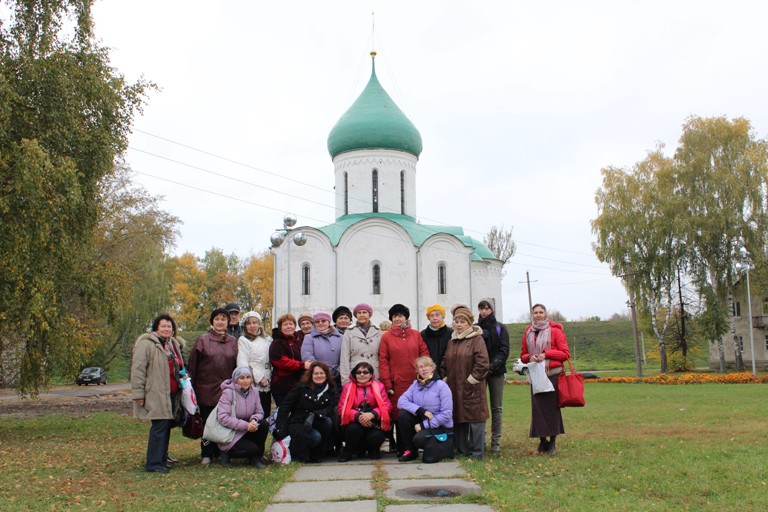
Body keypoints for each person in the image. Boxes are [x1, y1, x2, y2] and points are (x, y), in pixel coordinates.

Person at [131, 314, 184, 473]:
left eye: (169, 326)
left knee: (166, 426)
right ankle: (153, 463)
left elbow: (179, 365)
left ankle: (162, 459)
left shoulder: (173, 344)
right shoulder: (146, 345)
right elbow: (138, 370)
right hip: (156, 392)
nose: (167, 329)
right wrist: (138, 395)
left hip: (172, 393)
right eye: (163, 326)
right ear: (156, 328)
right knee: (159, 426)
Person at [188, 307, 238, 465]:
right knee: (207, 422)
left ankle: (222, 451)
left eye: (224, 319)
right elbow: (193, 365)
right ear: (212, 322)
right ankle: (206, 454)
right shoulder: (203, 340)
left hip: (226, 390)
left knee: (224, 421)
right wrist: (191, 388)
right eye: (217, 319)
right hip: (206, 389)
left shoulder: (233, 342)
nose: (220, 321)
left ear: (228, 322)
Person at [378, 303, 429, 454]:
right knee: (398, 414)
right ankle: (401, 447)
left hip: (416, 382)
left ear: (406, 317)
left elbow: (424, 355)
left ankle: (414, 445)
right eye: (394, 316)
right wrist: (387, 383)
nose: (397, 318)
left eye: (400, 315)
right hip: (397, 383)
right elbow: (383, 361)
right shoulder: (386, 337)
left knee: (414, 413)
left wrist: (424, 375)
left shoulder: (416, 334)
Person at [441, 304, 489, 460]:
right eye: (456, 321)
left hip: (472, 387)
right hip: (454, 387)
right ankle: (462, 449)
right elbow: (444, 362)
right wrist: (445, 376)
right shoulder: (452, 341)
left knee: (476, 420)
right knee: (459, 418)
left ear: (469, 323)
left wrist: (471, 381)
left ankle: (477, 452)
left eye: (462, 321)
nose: (459, 324)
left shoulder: (477, 339)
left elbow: (482, 364)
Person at [521, 303, 570, 455]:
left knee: (552, 410)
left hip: (552, 375)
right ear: (532, 315)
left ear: (545, 314)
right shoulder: (528, 332)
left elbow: (564, 354)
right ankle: (543, 442)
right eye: (535, 312)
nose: (538, 315)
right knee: (538, 410)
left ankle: (553, 442)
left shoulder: (555, 331)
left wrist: (546, 354)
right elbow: (523, 355)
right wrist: (530, 357)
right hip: (536, 376)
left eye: (541, 312)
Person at [273, 361, 339, 463]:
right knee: (315, 437)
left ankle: (319, 453)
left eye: (322, 373)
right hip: (299, 422)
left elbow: (331, 407)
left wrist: (315, 414)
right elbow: (285, 406)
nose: (319, 376)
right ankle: (300, 453)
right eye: (316, 373)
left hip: (317, 419)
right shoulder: (300, 387)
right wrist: (280, 428)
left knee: (328, 423)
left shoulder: (331, 388)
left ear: (326, 375)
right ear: (311, 375)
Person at [396, 356, 454, 463]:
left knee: (419, 439)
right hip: (423, 419)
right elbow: (401, 402)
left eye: (427, 366)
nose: (424, 369)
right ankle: (411, 451)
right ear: (417, 371)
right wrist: (420, 410)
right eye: (421, 367)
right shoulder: (415, 385)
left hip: (440, 425)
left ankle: (433, 447)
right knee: (403, 415)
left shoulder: (442, 386)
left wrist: (423, 425)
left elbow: (446, 415)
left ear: (432, 368)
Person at [215, 367, 269, 468]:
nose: (245, 381)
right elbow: (223, 417)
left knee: (264, 424)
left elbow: (260, 412)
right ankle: (225, 453)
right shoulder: (228, 392)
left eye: (248, 377)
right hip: (231, 432)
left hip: (248, 428)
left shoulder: (255, 391)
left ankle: (255, 458)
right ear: (236, 379)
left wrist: (254, 420)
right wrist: (245, 425)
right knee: (253, 449)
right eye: (242, 378)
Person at [337, 361, 392, 461]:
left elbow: (387, 405)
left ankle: (374, 450)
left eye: (365, 372)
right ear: (355, 374)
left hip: (373, 421)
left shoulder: (380, 386)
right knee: (353, 429)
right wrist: (359, 416)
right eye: (358, 372)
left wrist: (373, 414)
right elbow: (342, 408)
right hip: (355, 421)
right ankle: (348, 452)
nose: (362, 374)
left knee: (376, 436)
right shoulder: (347, 387)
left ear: (371, 374)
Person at [477, 298, 510, 453]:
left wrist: (491, 367)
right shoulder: (476, 328)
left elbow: (504, 350)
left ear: (492, 309)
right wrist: (482, 368)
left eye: (487, 308)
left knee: (496, 407)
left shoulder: (500, 328)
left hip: (496, 372)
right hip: (480, 373)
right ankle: (481, 440)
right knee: (480, 407)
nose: (484, 311)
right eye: (481, 308)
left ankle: (496, 441)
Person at [269, 313, 311, 407]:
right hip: (282, 386)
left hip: (298, 384)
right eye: (285, 324)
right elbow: (282, 362)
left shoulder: (298, 341)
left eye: (291, 324)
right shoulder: (277, 343)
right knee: (284, 413)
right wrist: (302, 365)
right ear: (280, 327)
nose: (288, 326)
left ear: (294, 326)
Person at [236, 311, 273, 416]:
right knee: (253, 417)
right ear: (245, 326)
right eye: (249, 323)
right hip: (252, 384)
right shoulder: (243, 340)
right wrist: (259, 377)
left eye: (255, 322)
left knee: (265, 416)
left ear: (259, 324)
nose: (252, 326)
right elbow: (242, 363)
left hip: (268, 385)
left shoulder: (267, 339)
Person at [340, 303, 382, 386]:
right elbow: (344, 357)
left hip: (374, 372)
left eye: (364, 312)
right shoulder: (348, 332)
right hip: (356, 373)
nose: (362, 315)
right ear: (355, 315)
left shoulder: (378, 331)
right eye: (359, 313)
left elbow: (382, 355)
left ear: (369, 314)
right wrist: (345, 379)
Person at [301, 311, 343, 384]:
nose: (320, 323)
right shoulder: (309, 338)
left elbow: (345, 356)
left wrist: (339, 370)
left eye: (323, 321)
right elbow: (307, 356)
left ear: (328, 322)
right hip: (318, 376)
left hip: (338, 376)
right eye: (317, 321)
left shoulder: (341, 337)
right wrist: (321, 371)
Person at [420, 304, 453, 378]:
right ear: (428, 318)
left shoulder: (451, 333)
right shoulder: (423, 334)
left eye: (437, 315)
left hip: (447, 373)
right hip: (429, 374)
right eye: (431, 316)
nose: (434, 318)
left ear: (443, 316)